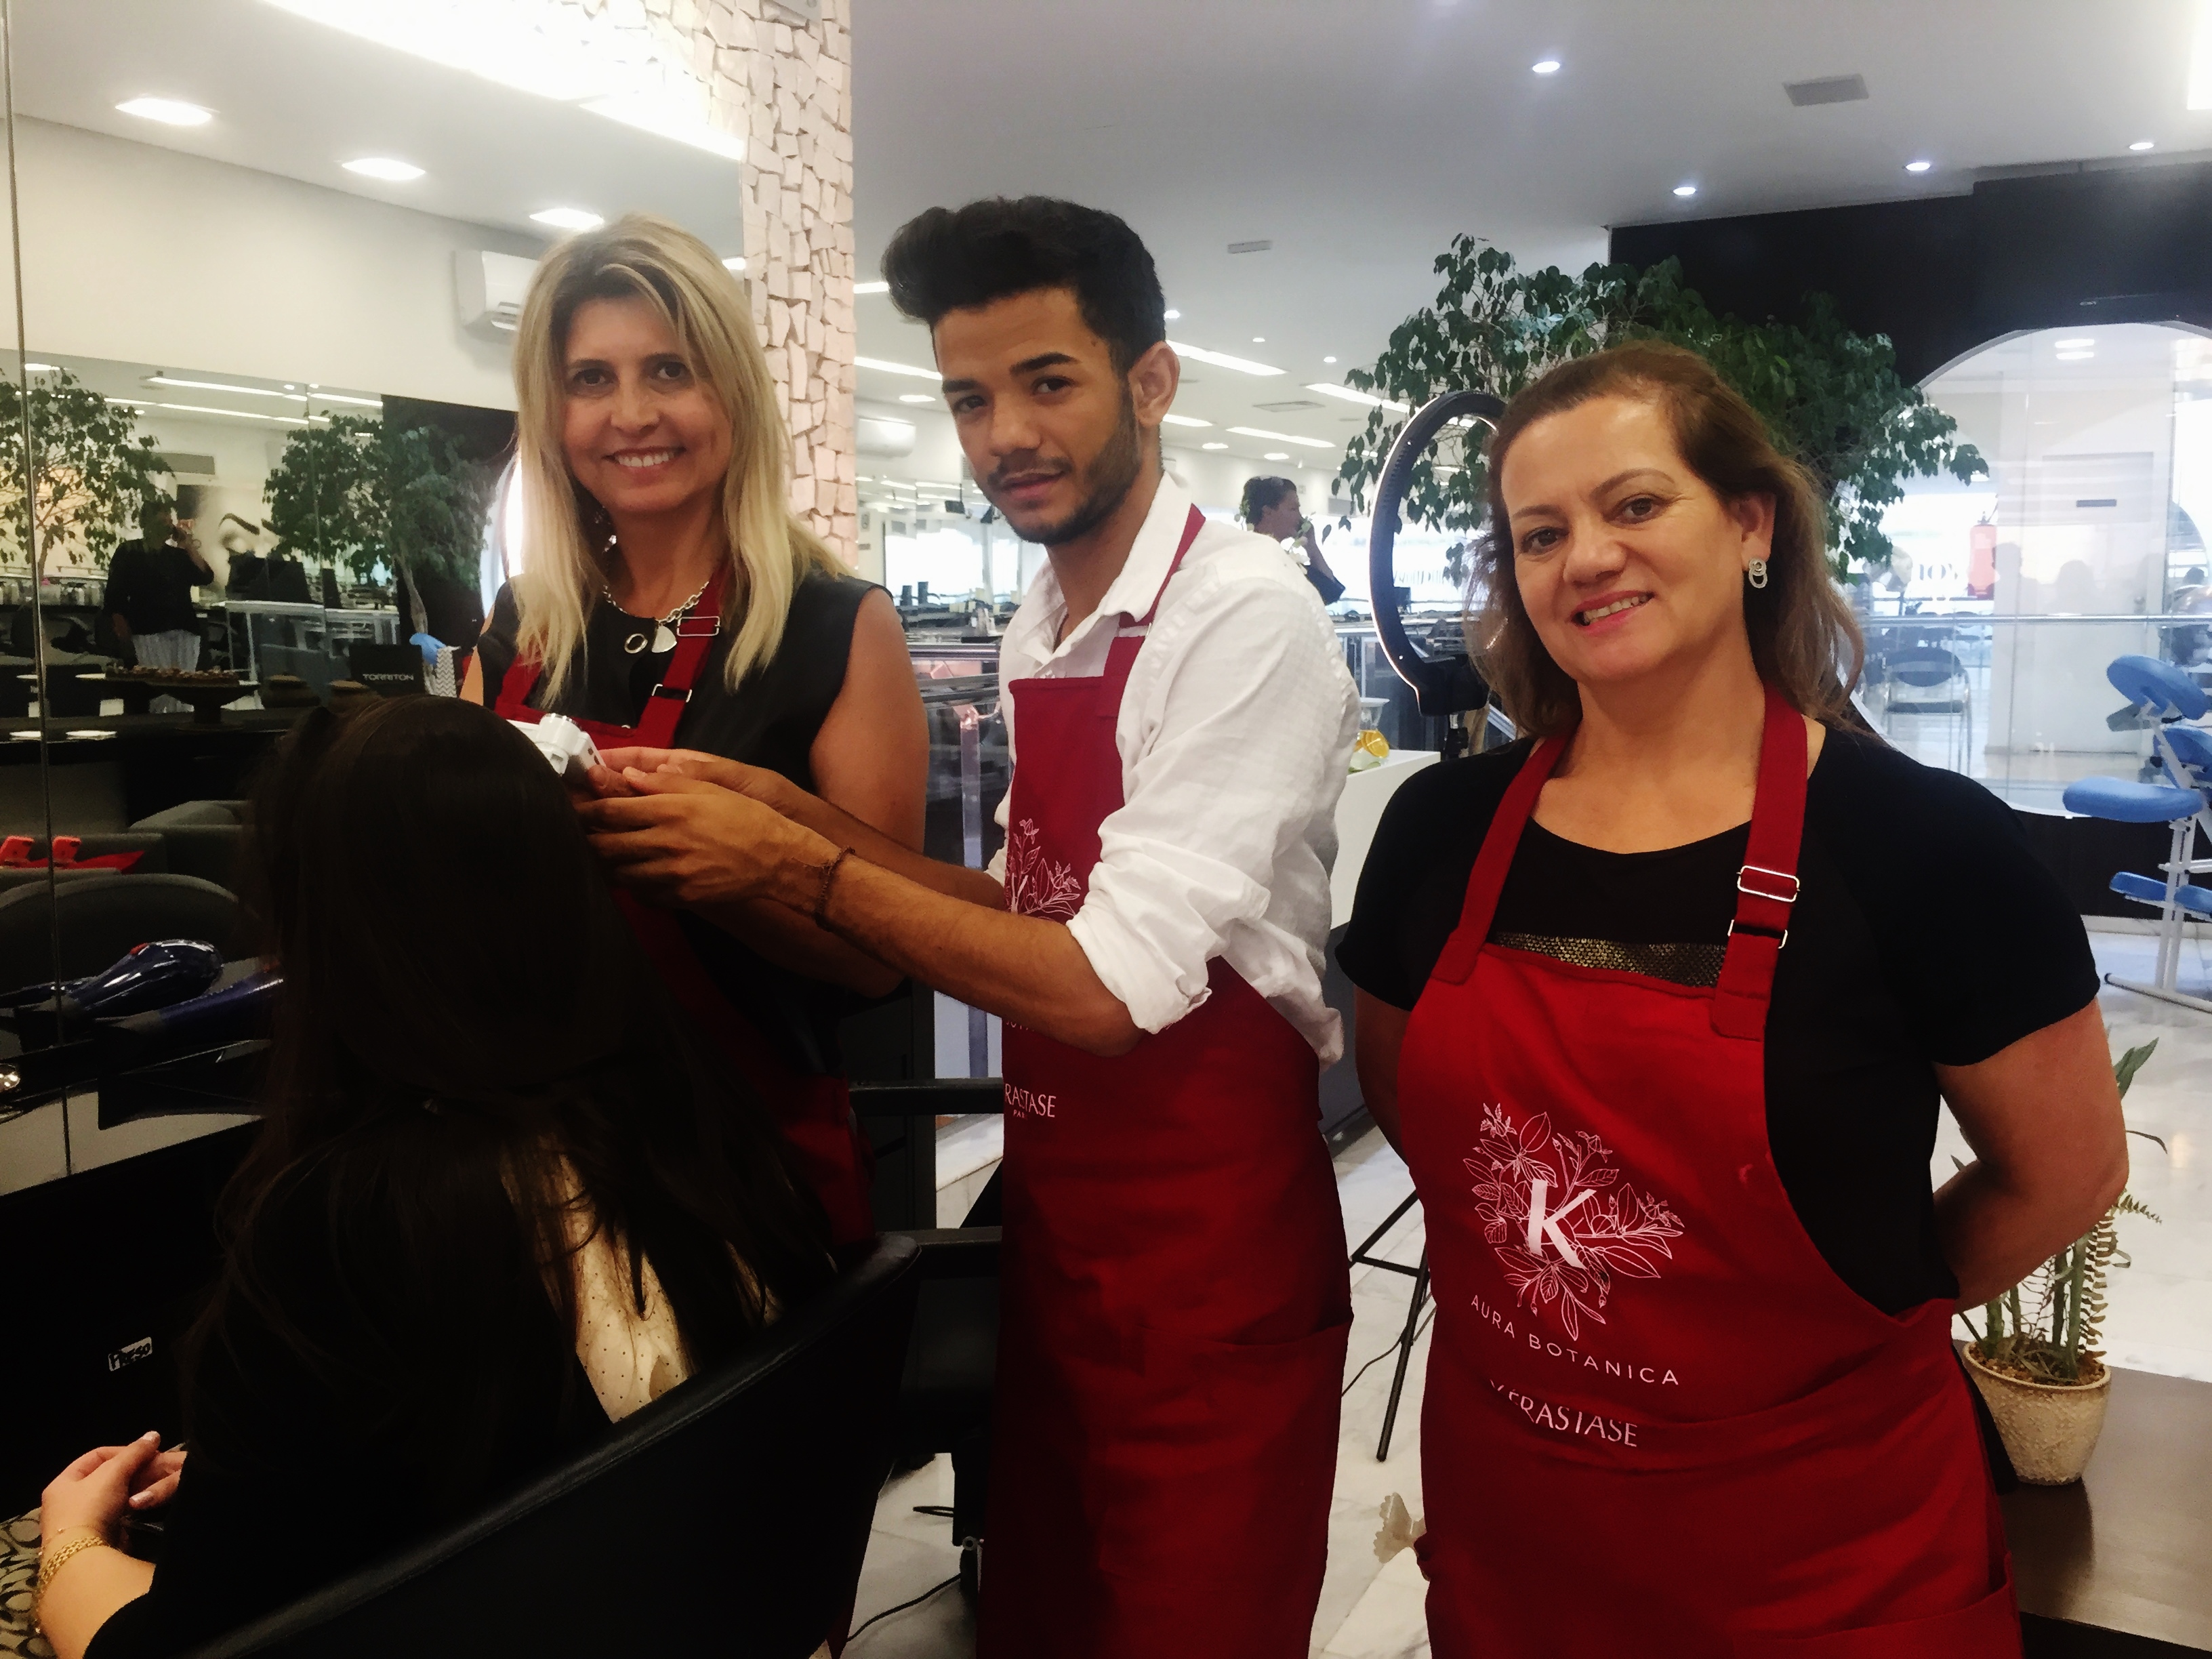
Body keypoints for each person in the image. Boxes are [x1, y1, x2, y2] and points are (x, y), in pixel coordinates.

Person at [577, 196, 1358, 1656]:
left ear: (1149, 381)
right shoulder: (1039, 623)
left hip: (1209, 1267)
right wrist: (778, 807)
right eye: (969, 398)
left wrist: (795, 868)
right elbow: (1024, 908)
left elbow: (1108, 988)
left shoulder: (1241, 616)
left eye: (1046, 383)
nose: (1005, 435)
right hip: (1063, 1237)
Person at [1338, 342, 2128, 1657]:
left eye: (1635, 504)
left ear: (1750, 523)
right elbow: (1412, 1107)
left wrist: (1846, 1327)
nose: (1586, 557)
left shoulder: (1921, 848)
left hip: (1822, 1547)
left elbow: (2065, 1172)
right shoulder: (1438, 832)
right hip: (1521, 1521)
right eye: (1540, 533)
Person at [31, 697, 835, 1659]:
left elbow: (194, 1647)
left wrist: (69, 1548)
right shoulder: (693, 1123)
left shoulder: (357, 1222)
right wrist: (256, 1466)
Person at [464, 212, 927, 1244]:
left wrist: (737, 870)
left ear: (732, 394)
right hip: (527, 1157)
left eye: (670, 370)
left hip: (748, 1168)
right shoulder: (519, 627)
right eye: (591, 379)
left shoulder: (836, 626)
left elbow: (878, 960)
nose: (632, 414)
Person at [104, 501, 212, 670]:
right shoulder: (130, 552)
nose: (168, 527)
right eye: (162, 522)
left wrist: (188, 545)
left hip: (185, 628)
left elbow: (206, 576)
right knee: (157, 680)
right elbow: (114, 596)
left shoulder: (177, 555)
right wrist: (122, 629)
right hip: (149, 627)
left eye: (170, 522)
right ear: (147, 525)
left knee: (185, 681)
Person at [1242, 474, 1345, 605]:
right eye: (1293, 509)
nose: (1300, 517)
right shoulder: (1248, 558)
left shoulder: (1288, 560)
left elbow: (1330, 592)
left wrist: (1311, 546)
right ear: (1267, 512)